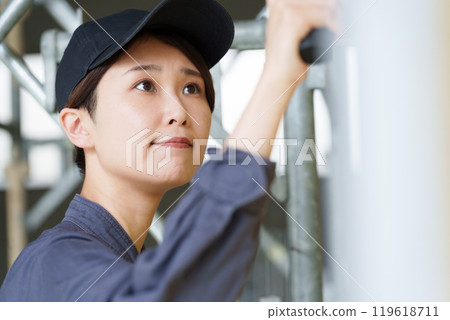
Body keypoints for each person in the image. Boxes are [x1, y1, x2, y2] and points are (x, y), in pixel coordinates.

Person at [0, 0, 338, 301]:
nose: (179, 111)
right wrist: (278, 75)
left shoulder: (122, 263)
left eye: (192, 87)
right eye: (145, 85)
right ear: (78, 126)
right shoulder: (52, 265)